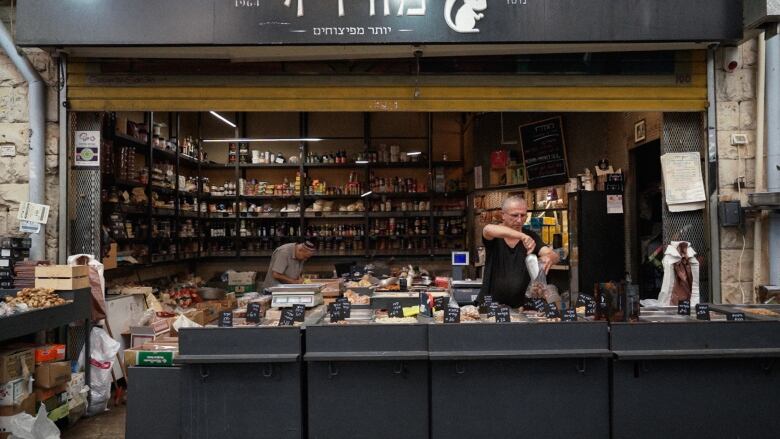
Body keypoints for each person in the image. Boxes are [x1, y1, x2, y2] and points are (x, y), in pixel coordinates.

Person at [477, 196, 559, 308]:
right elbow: (487, 229)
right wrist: (522, 236)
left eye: (523, 215)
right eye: (514, 215)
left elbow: (552, 255)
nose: (519, 220)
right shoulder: (496, 235)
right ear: (503, 215)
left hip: (523, 306)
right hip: (492, 303)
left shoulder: (532, 236)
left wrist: (549, 257)